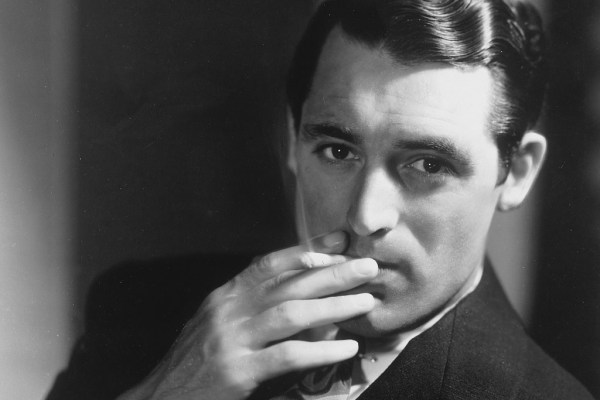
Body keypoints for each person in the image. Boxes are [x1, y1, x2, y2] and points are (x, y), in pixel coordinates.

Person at [47, 0, 596, 399]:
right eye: (338, 150)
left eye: (429, 165)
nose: (365, 215)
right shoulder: (140, 310)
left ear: (516, 173)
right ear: (292, 140)